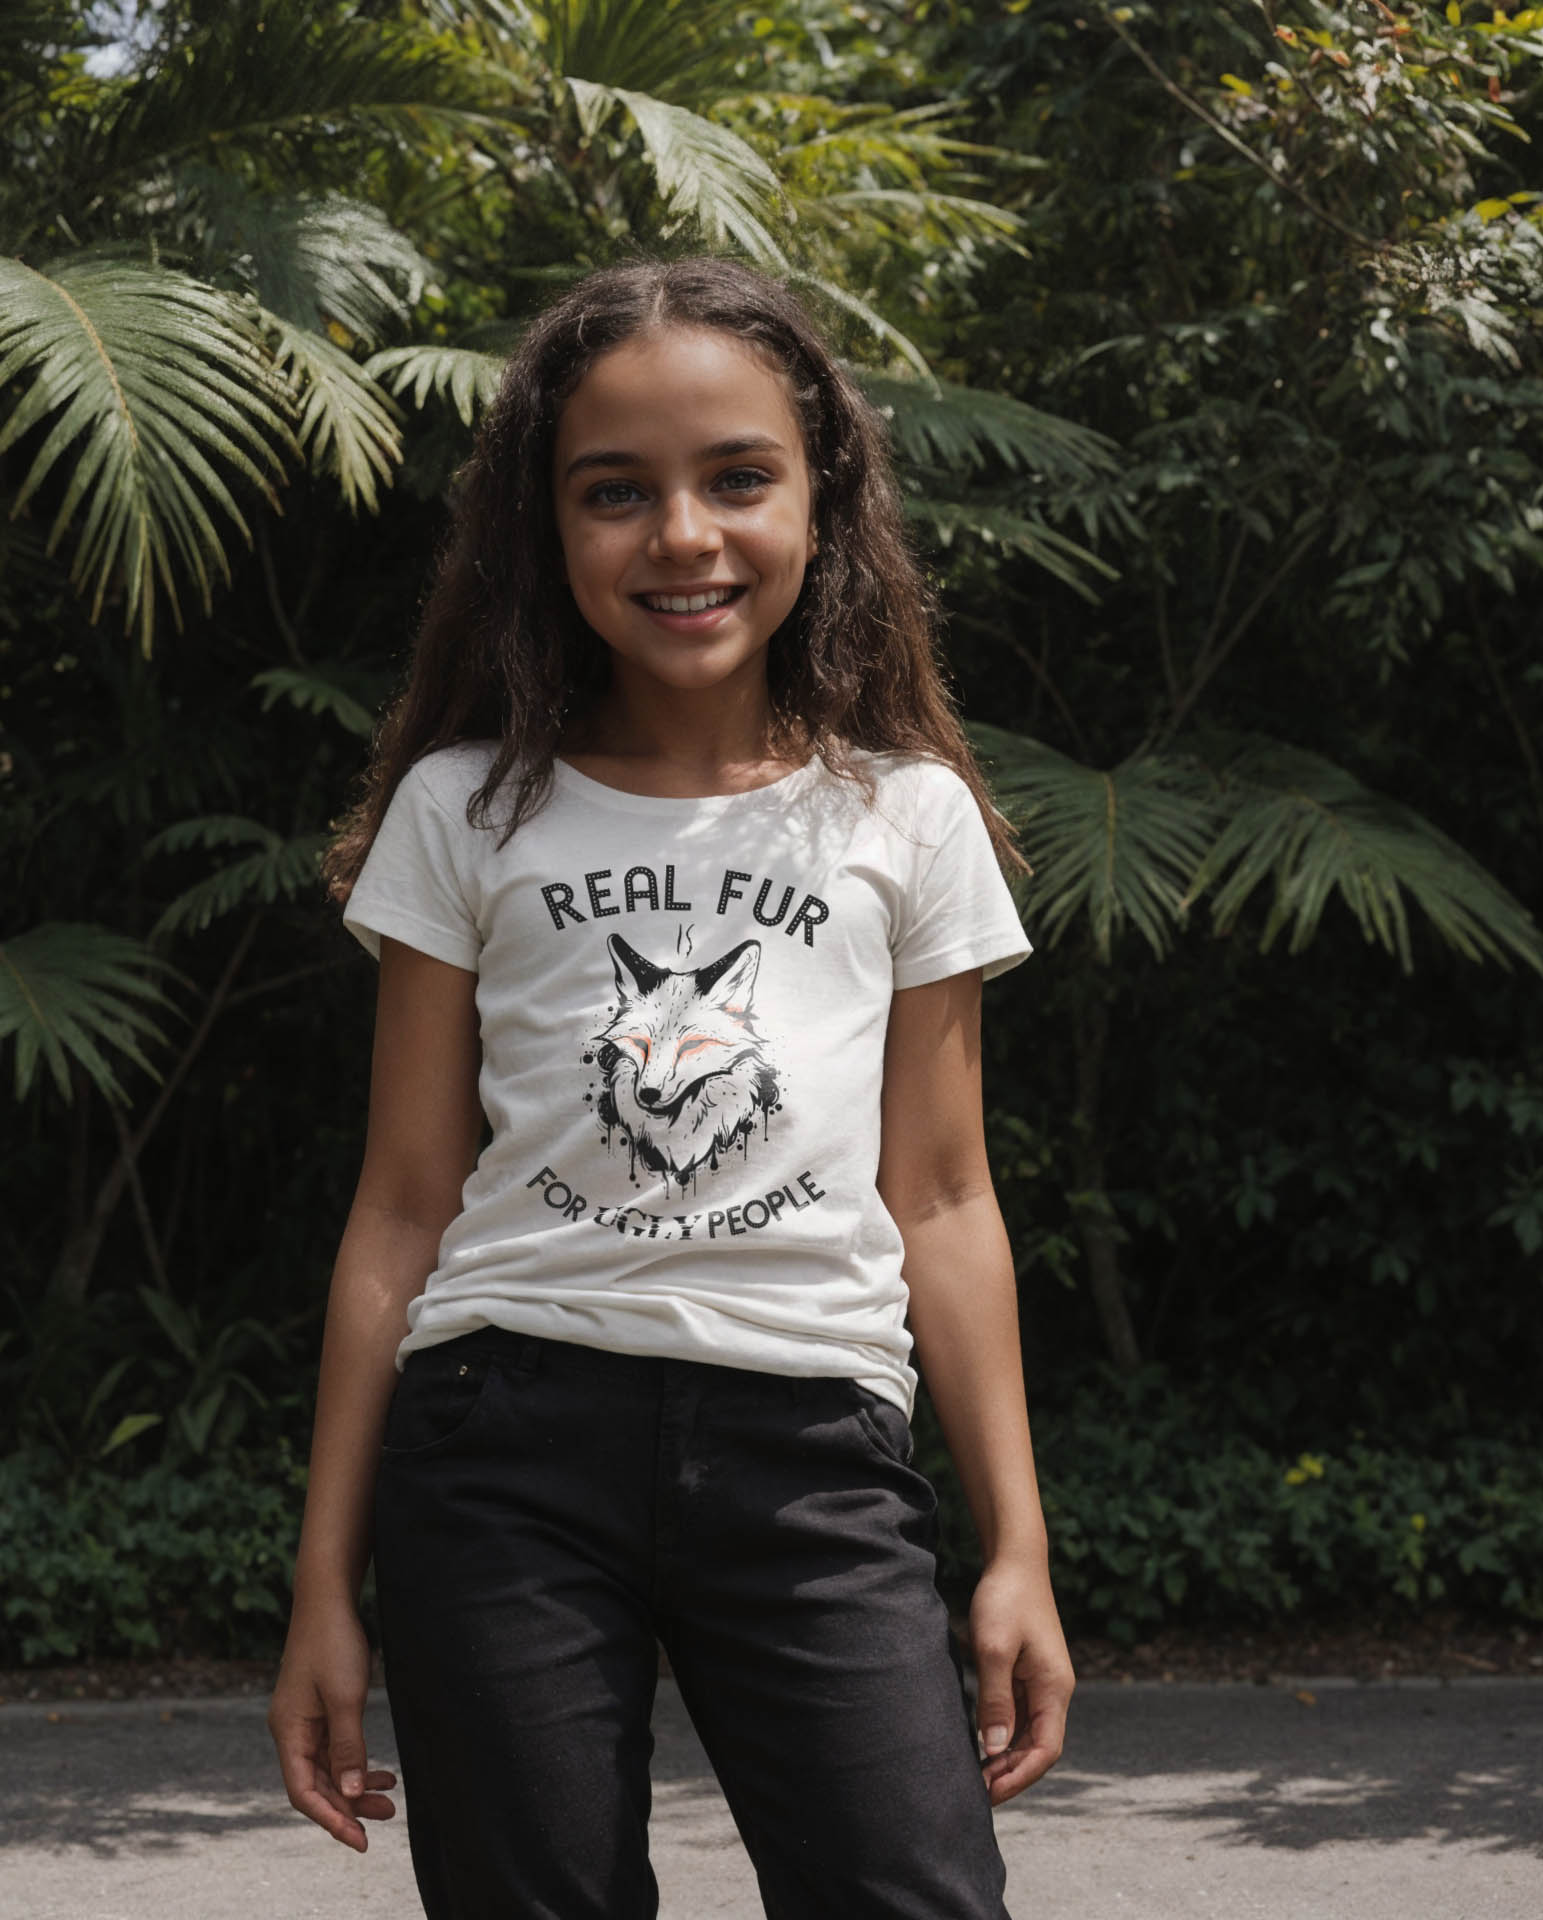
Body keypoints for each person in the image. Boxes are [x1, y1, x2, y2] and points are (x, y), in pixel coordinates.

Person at [267, 254, 1075, 1920]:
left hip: (813, 1445)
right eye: (616, 491)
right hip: (503, 1444)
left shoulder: (905, 816)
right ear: (545, 529)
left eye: (738, 478)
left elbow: (943, 1197)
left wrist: (1018, 1549)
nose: (683, 536)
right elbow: (402, 1206)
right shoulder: (464, 808)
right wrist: (322, 1584)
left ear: (821, 502)